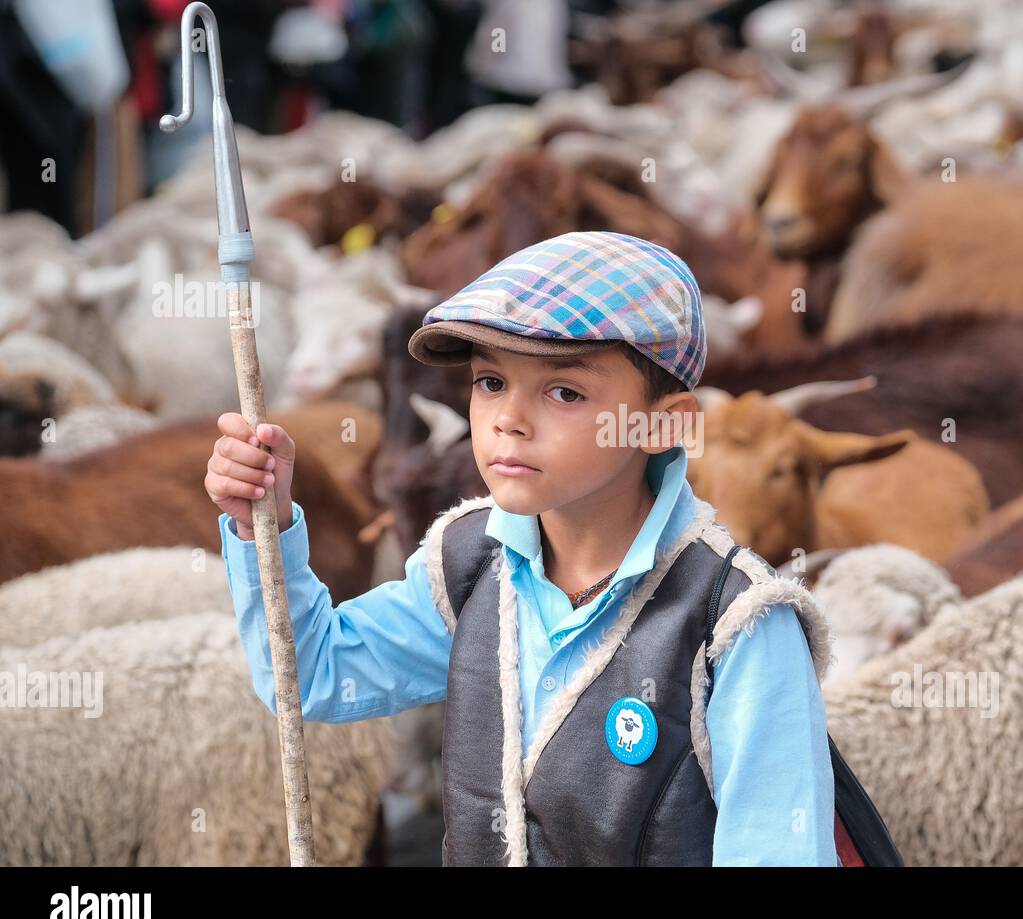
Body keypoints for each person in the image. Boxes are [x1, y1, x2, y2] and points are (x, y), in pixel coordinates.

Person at [208, 230, 837, 866]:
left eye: (564, 392)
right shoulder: (470, 565)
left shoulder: (735, 626)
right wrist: (263, 523)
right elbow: (317, 674)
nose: (509, 418)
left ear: (664, 424)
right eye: (489, 382)